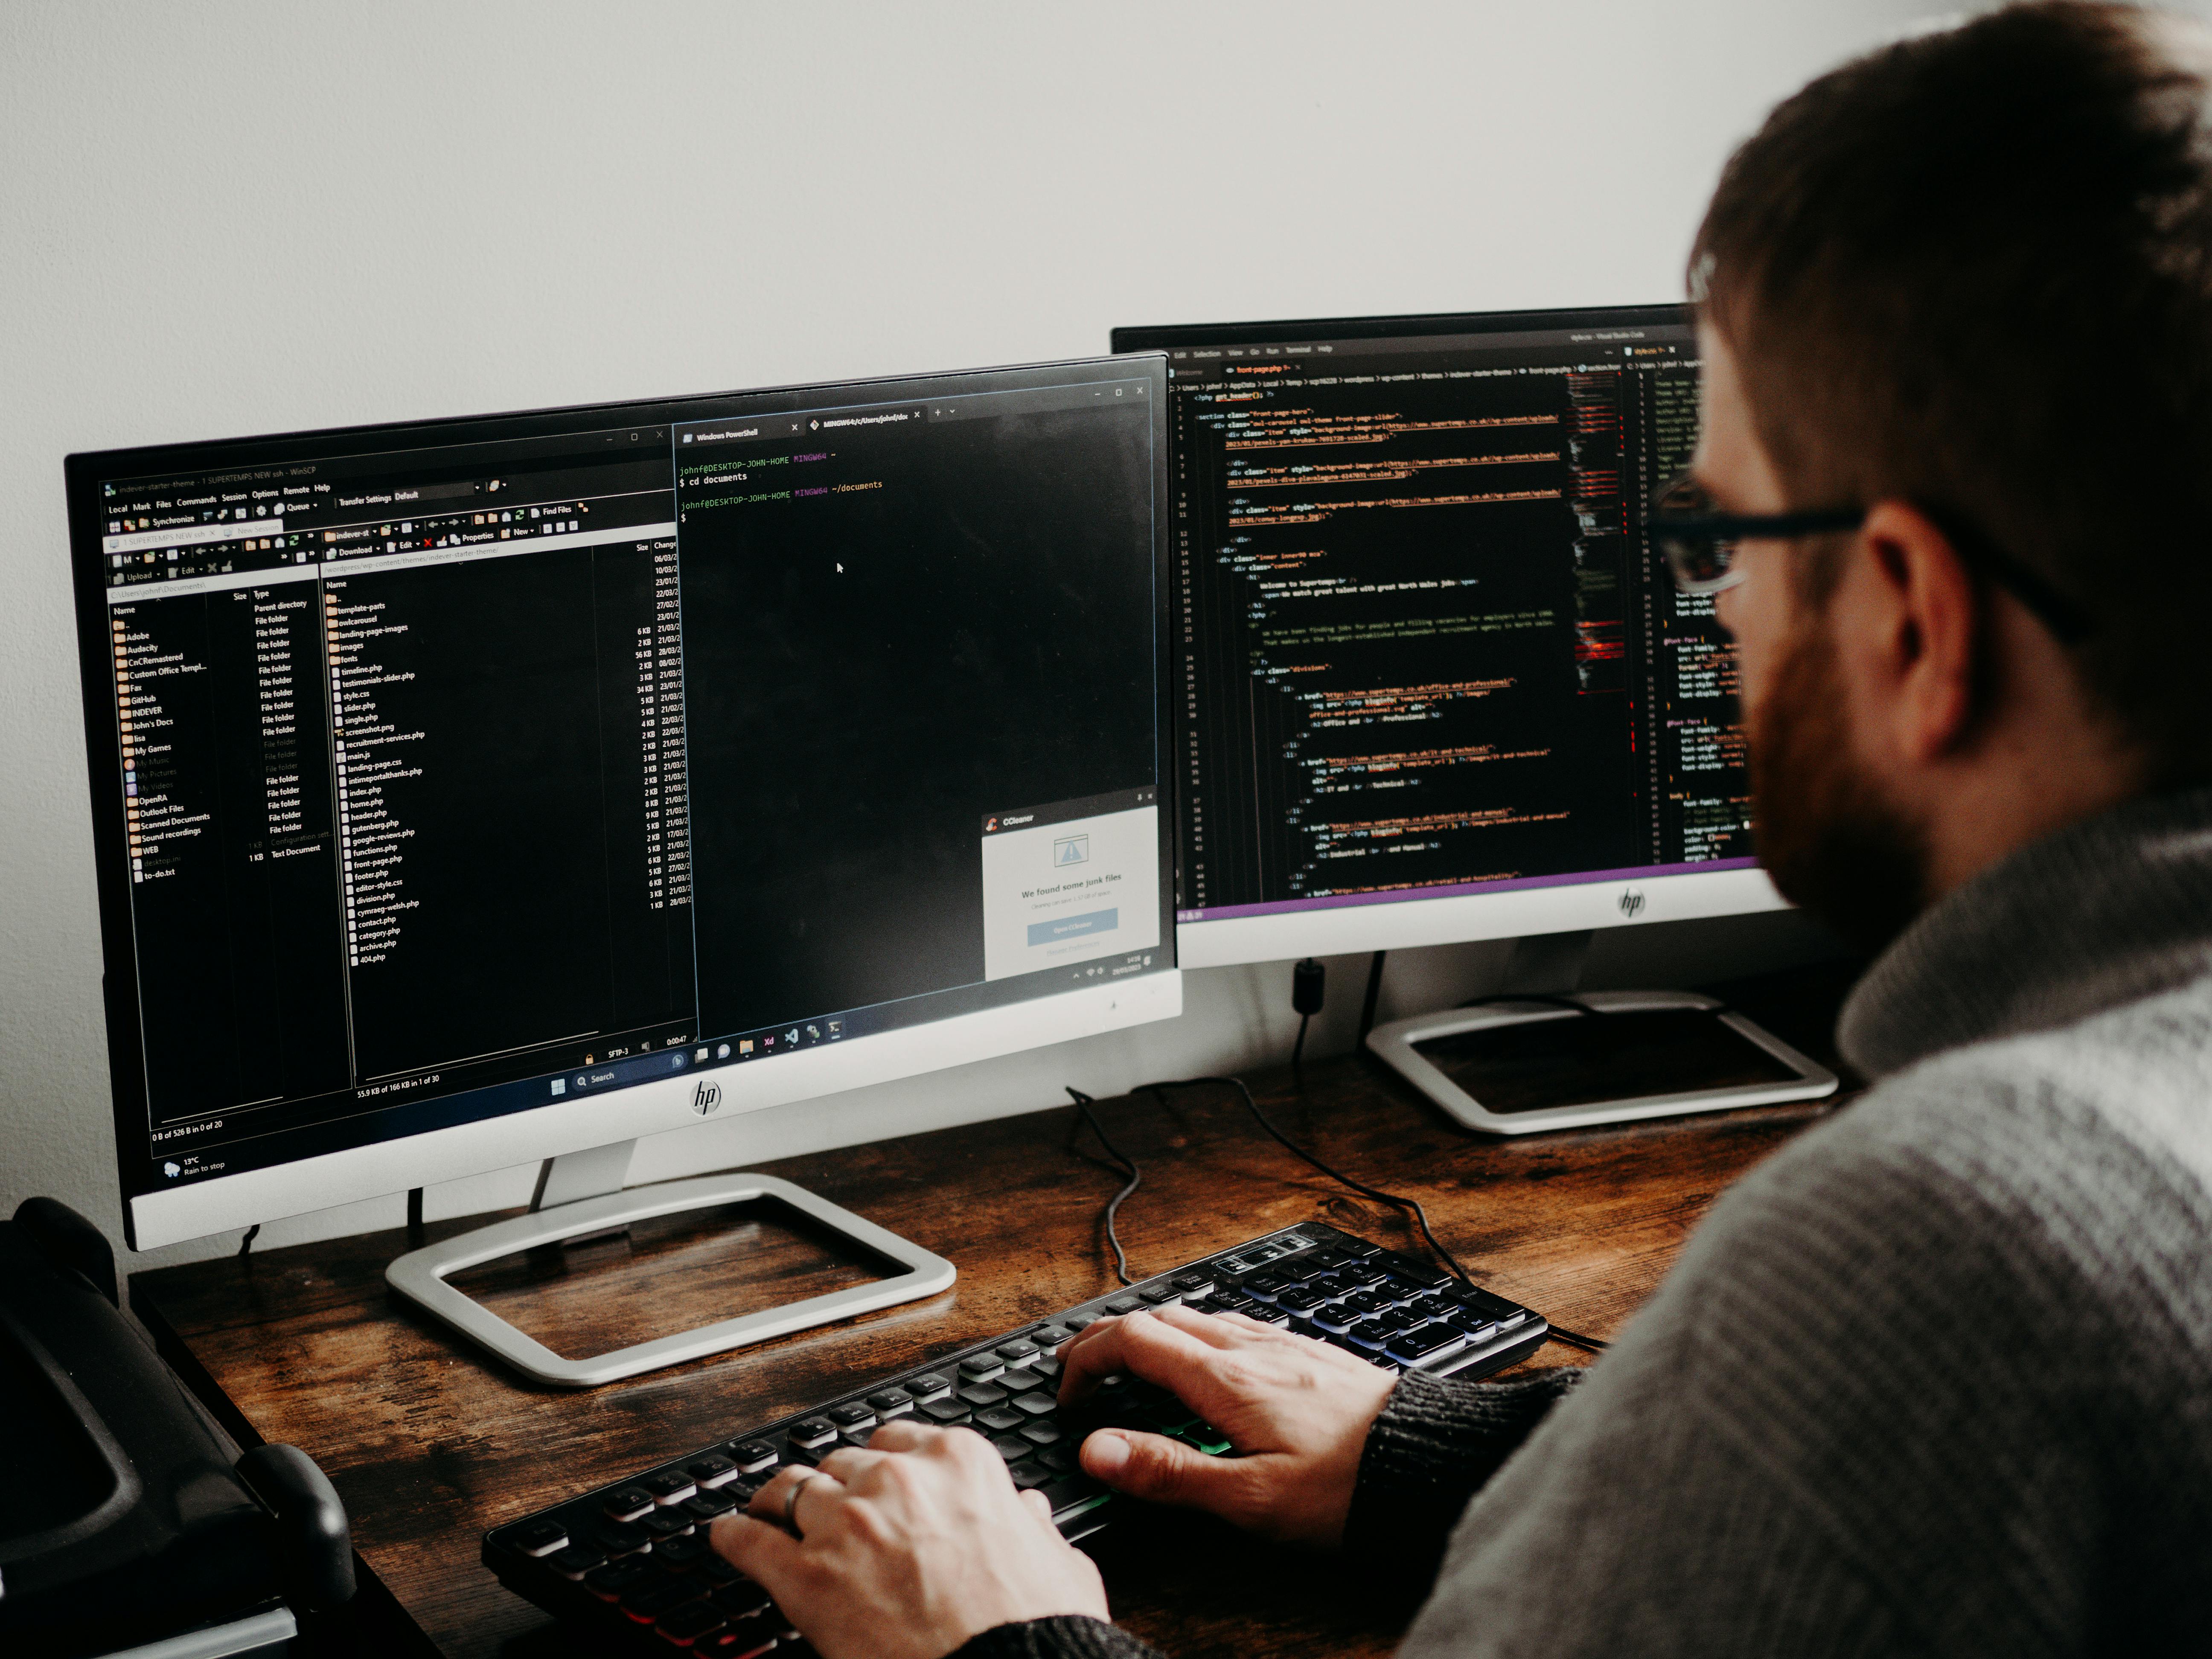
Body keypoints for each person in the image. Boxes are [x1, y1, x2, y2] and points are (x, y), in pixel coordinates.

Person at [712, 5, 2212, 1653]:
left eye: (1730, 533)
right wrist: (1427, 1452)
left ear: (1918, 618)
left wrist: (997, 1644)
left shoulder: (1941, 1243)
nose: (1714, 615)